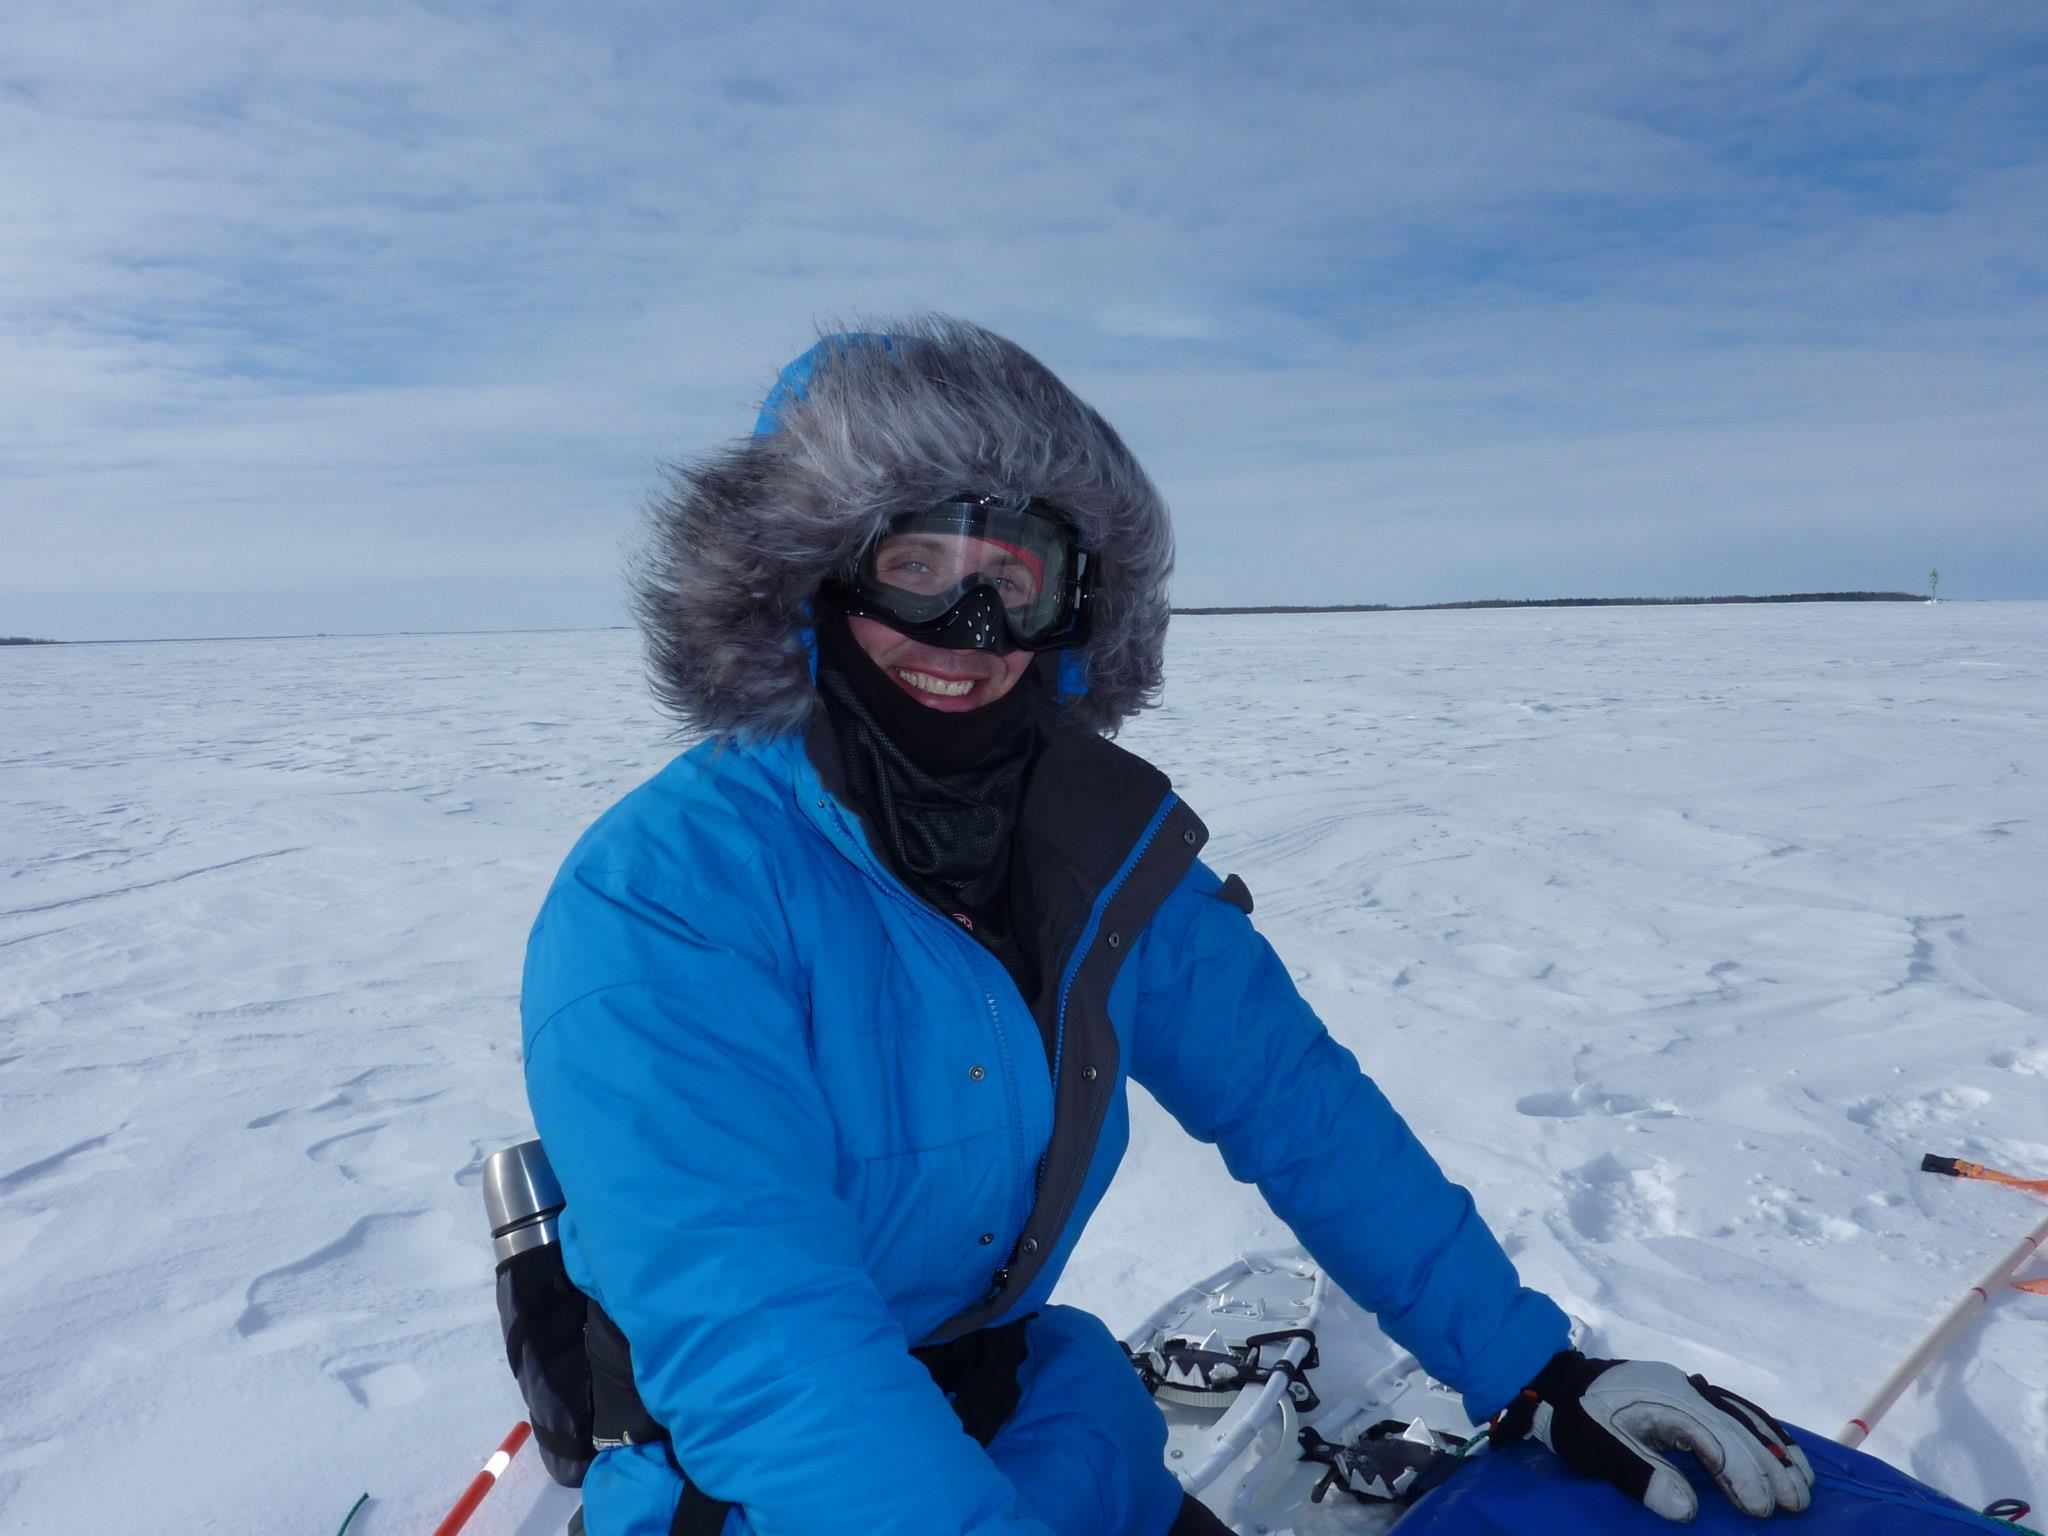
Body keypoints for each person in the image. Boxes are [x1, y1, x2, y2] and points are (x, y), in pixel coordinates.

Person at [520, 317, 1814, 1536]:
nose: (968, 636)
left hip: (1043, 1423)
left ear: (1077, 608)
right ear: (803, 579)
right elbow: (766, 1347)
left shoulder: (1099, 856)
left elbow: (1300, 1110)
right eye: (918, 568)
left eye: (1013, 577)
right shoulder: (668, 901)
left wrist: (1530, 1368)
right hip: (770, 1493)